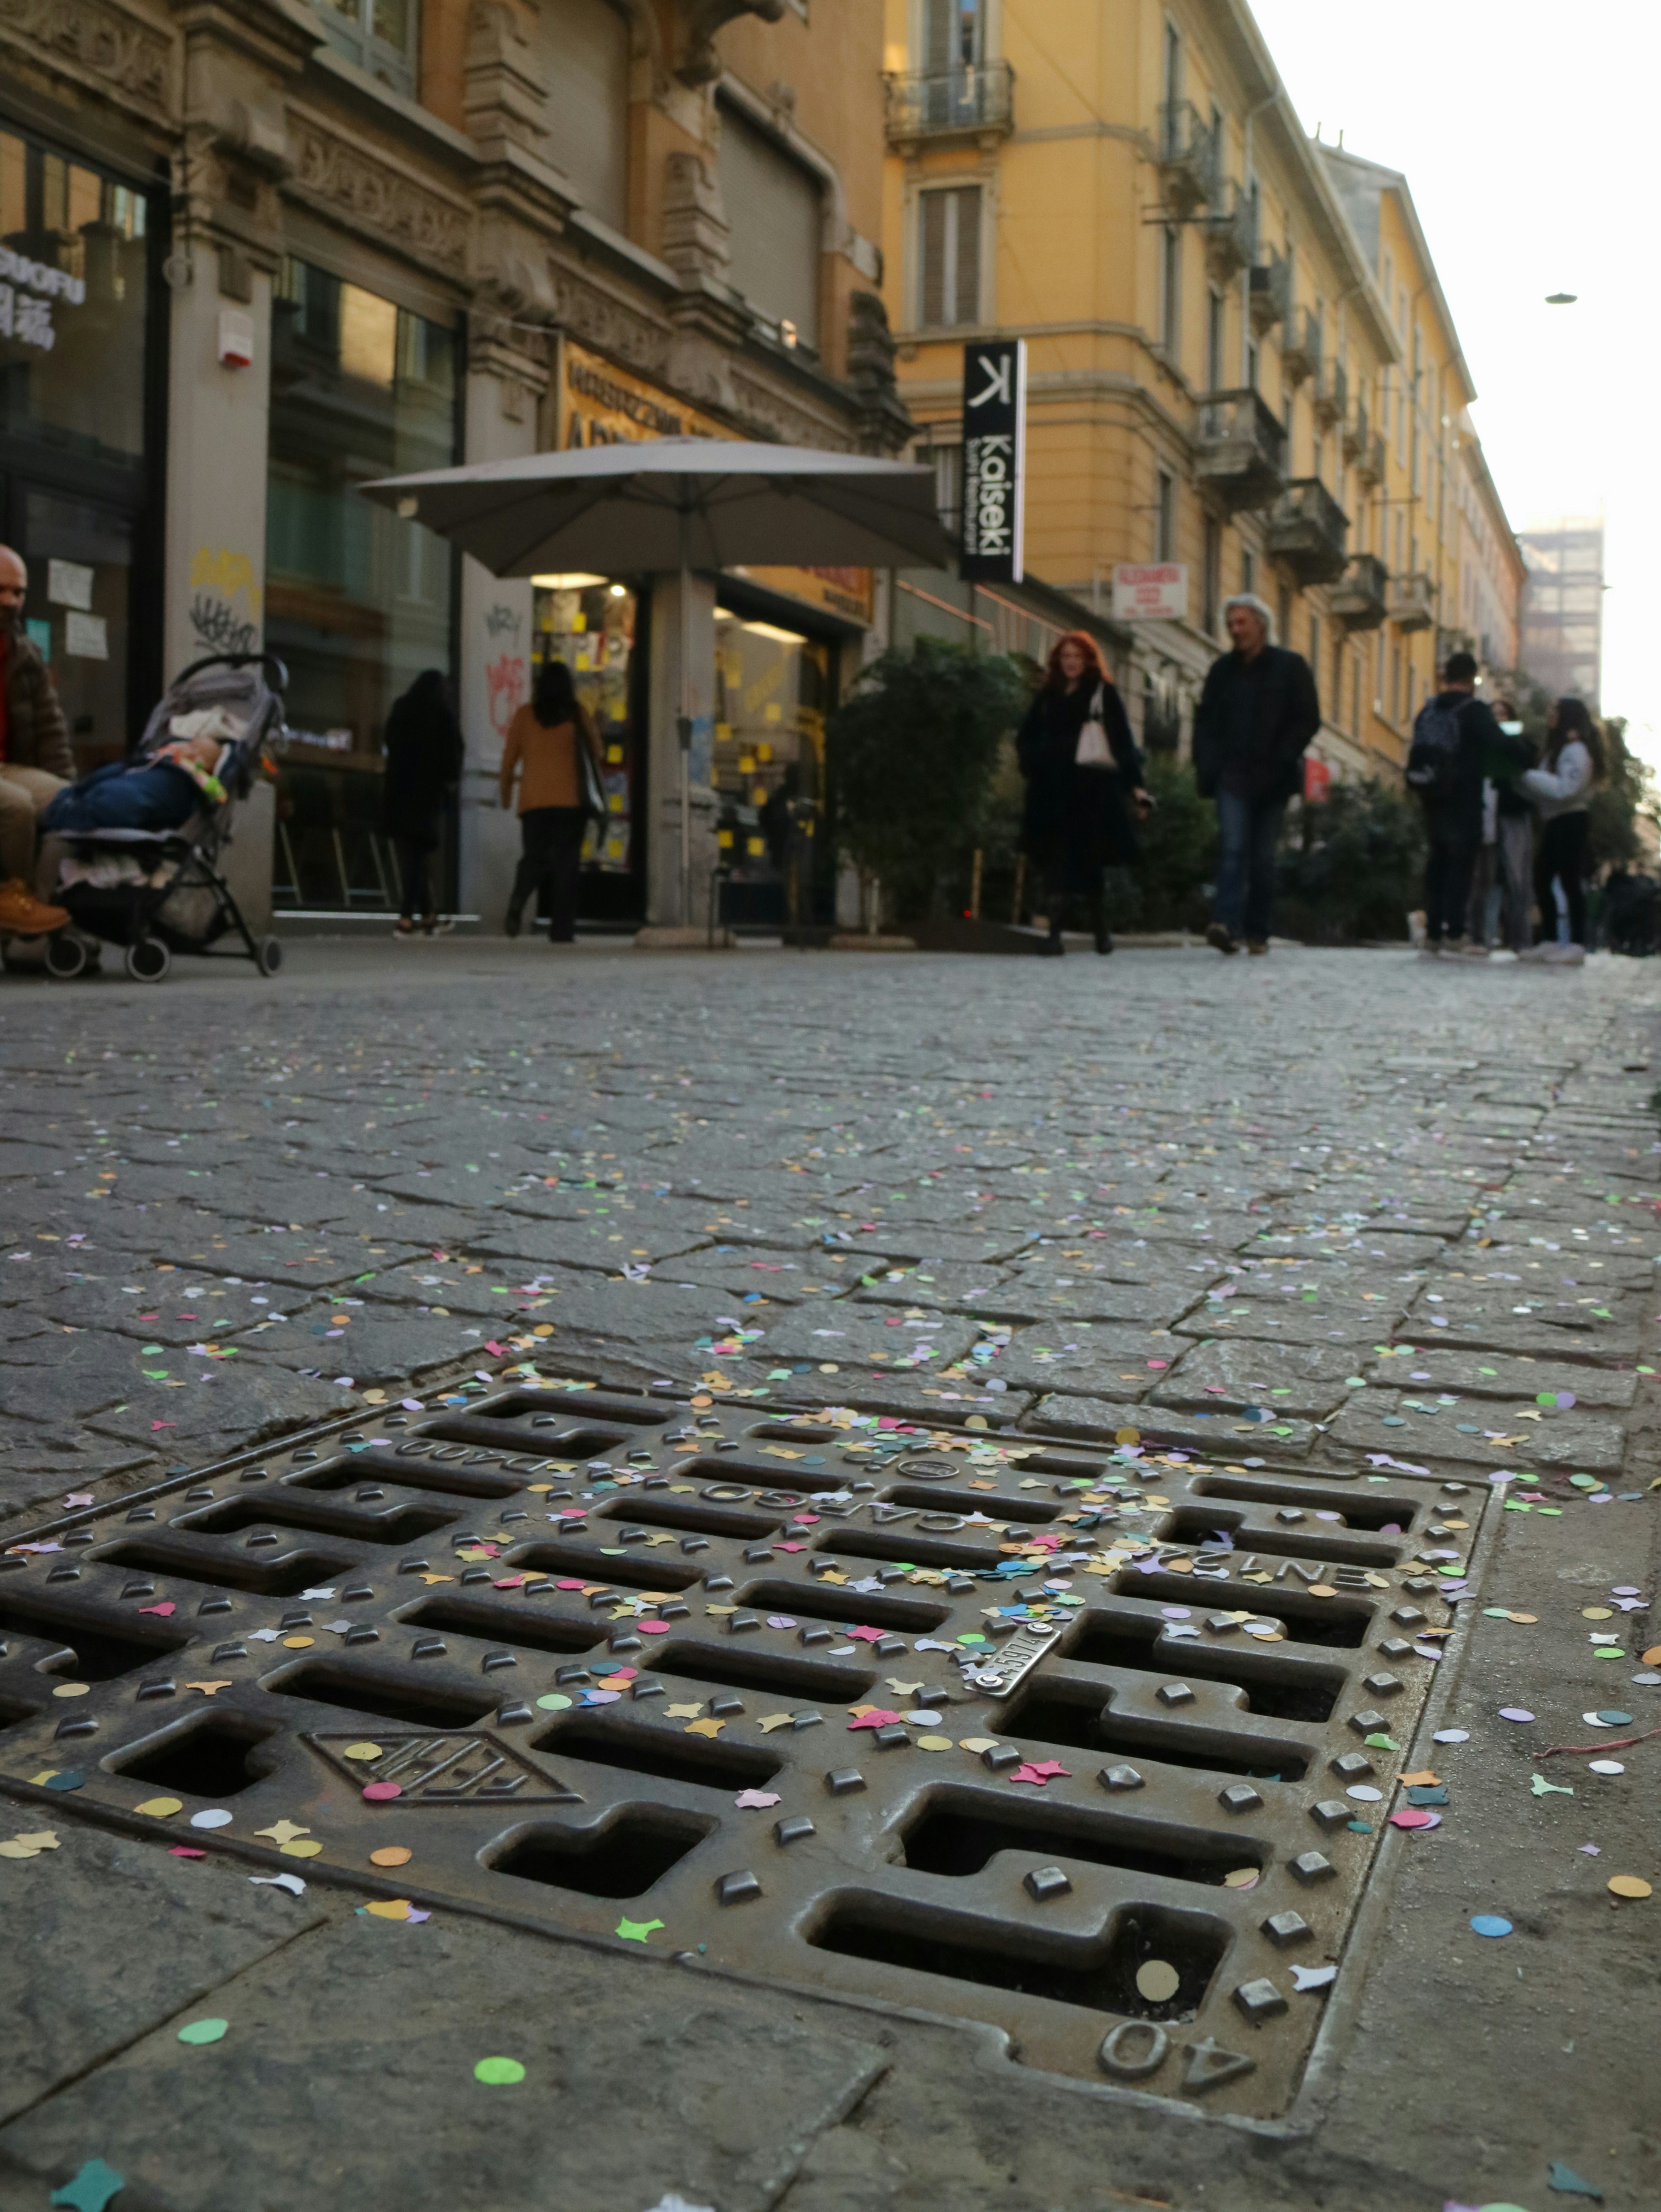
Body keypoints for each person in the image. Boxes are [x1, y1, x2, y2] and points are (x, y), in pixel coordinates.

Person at [1191, 594, 1320, 955]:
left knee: (1263, 857)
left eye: (1241, 622)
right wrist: (1206, 763)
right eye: (1231, 624)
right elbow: (1204, 720)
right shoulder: (1221, 671)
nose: (1235, 630)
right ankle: (1224, 923)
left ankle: (1257, 932)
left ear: (1260, 624)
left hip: (1273, 777)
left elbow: (1308, 718)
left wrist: (1284, 755)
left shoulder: (1291, 667)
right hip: (1231, 774)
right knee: (1232, 848)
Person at [1016, 629, 1149, 956]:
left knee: (1088, 867)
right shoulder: (1048, 694)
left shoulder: (1102, 693)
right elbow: (1025, 736)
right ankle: (1055, 936)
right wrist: (1035, 760)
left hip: (1090, 792)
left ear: (1088, 660)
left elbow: (1123, 742)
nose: (1071, 663)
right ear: (1058, 661)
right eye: (1066, 656)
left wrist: (1136, 787)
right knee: (1056, 865)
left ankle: (1100, 930)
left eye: (1077, 656)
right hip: (1051, 791)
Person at [1406, 649, 1504, 959]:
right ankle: (1455, 932)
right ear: (1473, 679)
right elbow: (1498, 742)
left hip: (1432, 795)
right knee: (1461, 867)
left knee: (1437, 862)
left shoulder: (1430, 708)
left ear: (1446, 677)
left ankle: (1433, 932)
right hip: (1463, 797)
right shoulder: (1474, 710)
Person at [499, 659, 601, 945]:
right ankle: (562, 931)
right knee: (566, 867)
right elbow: (597, 751)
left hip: (534, 803)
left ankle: (519, 898)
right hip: (571, 804)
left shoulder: (524, 716)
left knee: (534, 858)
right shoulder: (578, 715)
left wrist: (507, 796)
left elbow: (508, 761)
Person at [0, 542, 74, 935]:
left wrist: (72, 787)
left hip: (10, 768)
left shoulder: (25, 655)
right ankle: (15, 903)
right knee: (17, 807)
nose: (11, 601)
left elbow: (51, 729)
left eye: (19, 592)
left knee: (67, 803)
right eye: (1, 591)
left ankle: (45, 906)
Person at [1519, 697, 1601, 967]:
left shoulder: (1576, 750)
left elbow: (1565, 789)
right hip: (1556, 819)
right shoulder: (1561, 750)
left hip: (1571, 820)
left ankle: (1576, 943)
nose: (1549, 715)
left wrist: (1528, 777)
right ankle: (1552, 939)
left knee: (1569, 880)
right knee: (1543, 877)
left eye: (1554, 711)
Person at [382, 669, 463, 940]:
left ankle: (429, 918)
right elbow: (454, 756)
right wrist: (449, 784)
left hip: (400, 790)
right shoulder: (443, 715)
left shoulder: (402, 709)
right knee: (418, 855)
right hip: (428, 793)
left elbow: (389, 741)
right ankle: (406, 920)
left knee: (414, 854)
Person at [1463, 693, 1536, 952]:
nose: (1498, 719)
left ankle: (1520, 939)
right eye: (1493, 714)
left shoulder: (1519, 745)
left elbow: (1528, 762)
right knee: (1481, 880)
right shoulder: (1477, 747)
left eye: (1503, 714)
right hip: (1482, 818)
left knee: (1517, 879)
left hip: (1510, 816)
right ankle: (1478, 937)